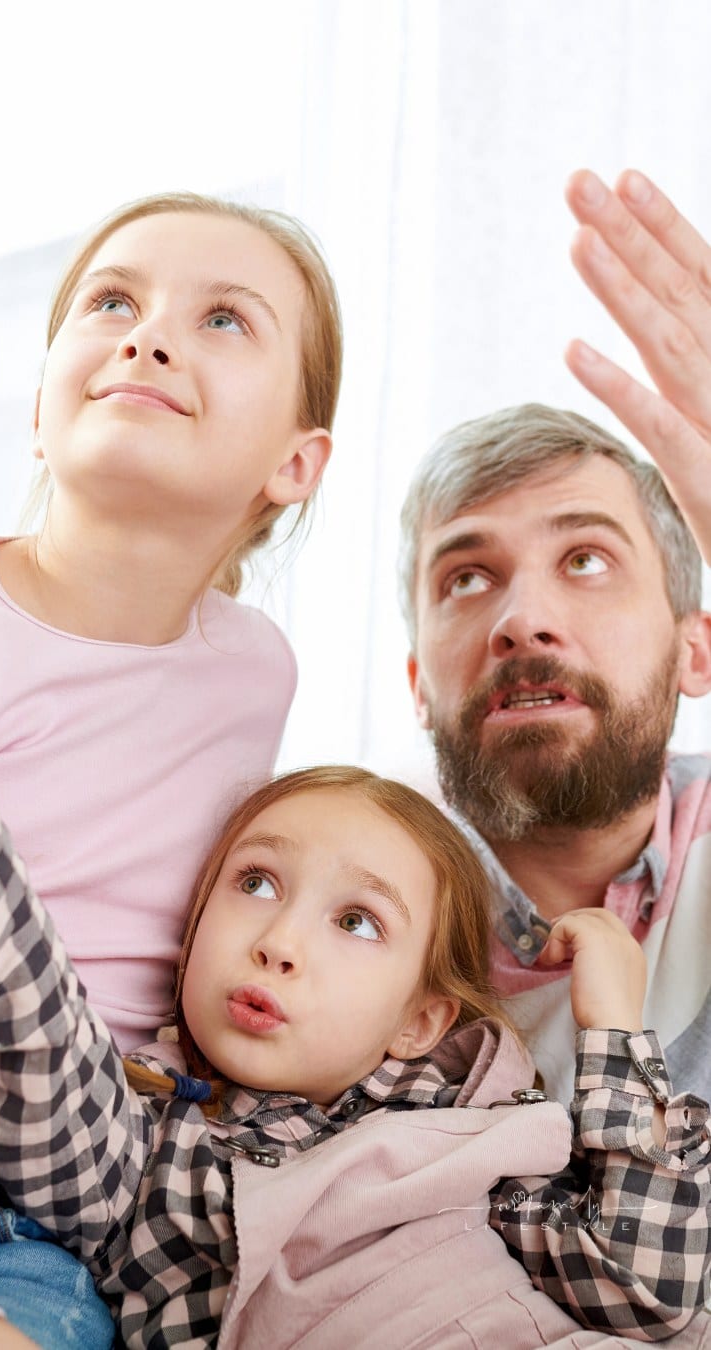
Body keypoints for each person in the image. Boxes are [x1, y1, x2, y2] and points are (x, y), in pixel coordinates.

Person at [0, 470, 709, 1350]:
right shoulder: (147, 1159)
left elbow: (648, 1291)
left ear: (421, 1018)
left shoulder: (481, 1141)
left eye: (357, 922)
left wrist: (615, 1038)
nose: (280, 943)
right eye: (255, 885)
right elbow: (20, 1014)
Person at [0, 192, 339, 1350]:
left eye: (225, 321)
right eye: (113, 301)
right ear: (40, 417)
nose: (147, 336)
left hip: (79, 1231)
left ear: (296, 463)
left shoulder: (257, 676)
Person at [398, 169, 711, 1111]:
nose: (521, 619)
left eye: (585, 560)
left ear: (696, 650)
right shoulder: (332, 897)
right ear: (417, 681)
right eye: (467, 576)